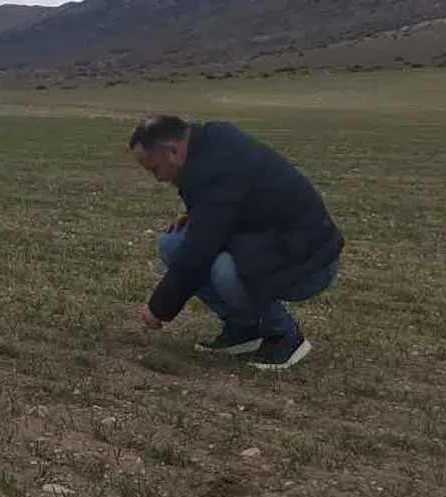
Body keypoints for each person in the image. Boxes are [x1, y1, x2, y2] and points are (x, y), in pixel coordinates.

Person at [129, 115, 344, 369]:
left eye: (154, 169)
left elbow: (198, 253)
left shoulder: (215, 168)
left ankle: (285, 336)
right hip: (272, 242)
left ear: (173, 151)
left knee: (226, 271)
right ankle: (244, 329)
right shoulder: (208, 145)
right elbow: (237, 199)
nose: (157, 179)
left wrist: (158, 309)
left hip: (311, 260)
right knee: (173, 243)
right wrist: (198, 215)